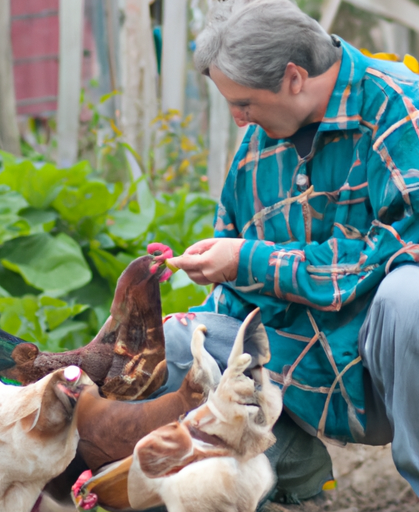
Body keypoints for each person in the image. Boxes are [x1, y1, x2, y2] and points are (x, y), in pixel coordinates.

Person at [165, 0, 419, 501]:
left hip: (384, 367)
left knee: (408, 297)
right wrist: (219, 281)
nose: (238, 120)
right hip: (304, 367)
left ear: (295, 77)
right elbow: (233, 297)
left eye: (244, 103)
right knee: (179, 344)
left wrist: (249, 260)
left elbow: (397, 249)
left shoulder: (399, 107)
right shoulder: (257, 147)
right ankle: (292, 479)